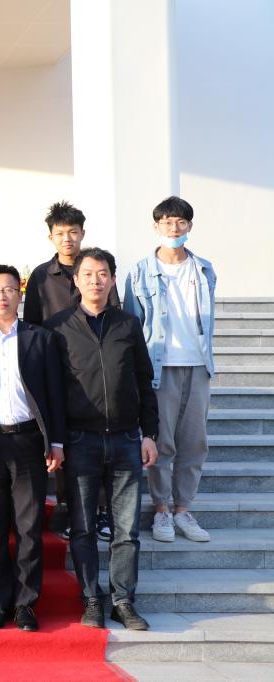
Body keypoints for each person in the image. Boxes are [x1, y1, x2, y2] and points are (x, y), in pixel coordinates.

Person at [45, 247, 158, 632]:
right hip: (80, 441)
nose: (96, 280)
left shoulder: (128, 324)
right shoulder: (58, 327)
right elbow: (53, 391)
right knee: (83, 528)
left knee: (126, 530)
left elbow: (144, 379)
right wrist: (56, 441)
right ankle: (91, 598)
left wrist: (150, 434)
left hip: (126, 439)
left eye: (103, 274)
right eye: (88, 274)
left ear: (112, 279)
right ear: (76, 280)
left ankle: (123, 601)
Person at [0, 265, 66, 633]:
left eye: (8, 289)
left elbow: (55, 394)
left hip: (29, 441)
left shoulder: (41, 339)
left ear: (19, 294)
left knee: (29, 527)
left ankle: (26, 604)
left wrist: (56, 442)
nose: (1, 296)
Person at [24, 202, 118, 543]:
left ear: (83, 233)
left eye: (73, 232)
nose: (67, 239)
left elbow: (113, 313)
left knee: (100, 437)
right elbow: (32, 325)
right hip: (57, 368)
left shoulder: (97, 269)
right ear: (50, 236)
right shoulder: (40, 276)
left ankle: (103, 510)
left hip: (96, 367)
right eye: (60, 233)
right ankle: (68, 507)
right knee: (62, 439)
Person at [125, 196, 217, 544]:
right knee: (162, 441)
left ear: (190, 226)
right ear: (156, 227)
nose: (174, 228)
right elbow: (133, 325)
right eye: (166, 222)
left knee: (195, 441)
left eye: (180, 222)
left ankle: (184, 508)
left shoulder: (204, 269)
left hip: (198, 365)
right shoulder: (139, 272)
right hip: (159, 367)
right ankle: (162, 509)